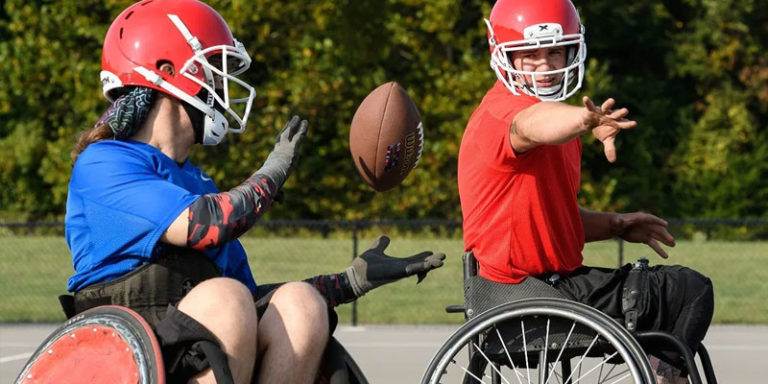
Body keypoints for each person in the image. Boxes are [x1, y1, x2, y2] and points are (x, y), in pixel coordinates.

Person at [64, 1, 445, 383]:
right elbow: (209, 224)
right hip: (126, 347)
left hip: (201, 335)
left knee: (301, 306)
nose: (221, 86)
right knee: (226, 300)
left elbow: (253, 299)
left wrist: (351, 280)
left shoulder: (199, 183)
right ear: (167, 71)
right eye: (214, 70)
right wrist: (273, 172)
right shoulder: (103, 163)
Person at [457, 0, 714, 383]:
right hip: (533, 295)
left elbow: (550, 218)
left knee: (673, 294)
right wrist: (582, 119)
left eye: (555, 51)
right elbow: (530, 126)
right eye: (529, 55)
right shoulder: (507, 114)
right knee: (690, 289)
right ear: (502, 55)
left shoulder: (555, 123)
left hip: (536, 289)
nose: (545, 66)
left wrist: (616, 224)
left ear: (572, 50)